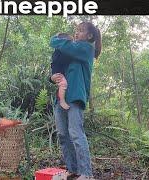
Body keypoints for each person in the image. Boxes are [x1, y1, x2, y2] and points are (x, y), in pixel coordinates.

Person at [50, 22, 102, 180]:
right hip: (61, 98)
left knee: (75, 133)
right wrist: (52, 77)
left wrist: (56, 37)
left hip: (75, 96)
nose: (77, 33)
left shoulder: (86, 49)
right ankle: (72, 170)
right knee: (62, 134)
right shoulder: (72, 52)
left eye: (80, 31)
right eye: (76, 30)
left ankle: (86, 173)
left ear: (90, 36)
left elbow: (55, 42)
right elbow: (58, 69)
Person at [50, 33, 73, 110]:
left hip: (56, 71)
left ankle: (61, 100)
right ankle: (62, 100)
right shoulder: (61, 52)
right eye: (69, 43)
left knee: (62, 84)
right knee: (63, 84)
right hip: (58, 72)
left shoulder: (57, 51)